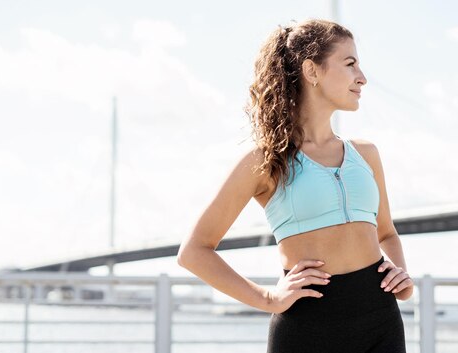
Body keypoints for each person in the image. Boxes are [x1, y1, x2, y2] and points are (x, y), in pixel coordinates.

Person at [177, 18, 413, 353]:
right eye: (350, 64)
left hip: (381, 325)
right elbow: (194, 251)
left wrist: (400, 275)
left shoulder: (366, 155)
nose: (362, 77)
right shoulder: (265, 161)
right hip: (307, 331)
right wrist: (268, 297)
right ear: (312, 71)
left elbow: (386, 234)